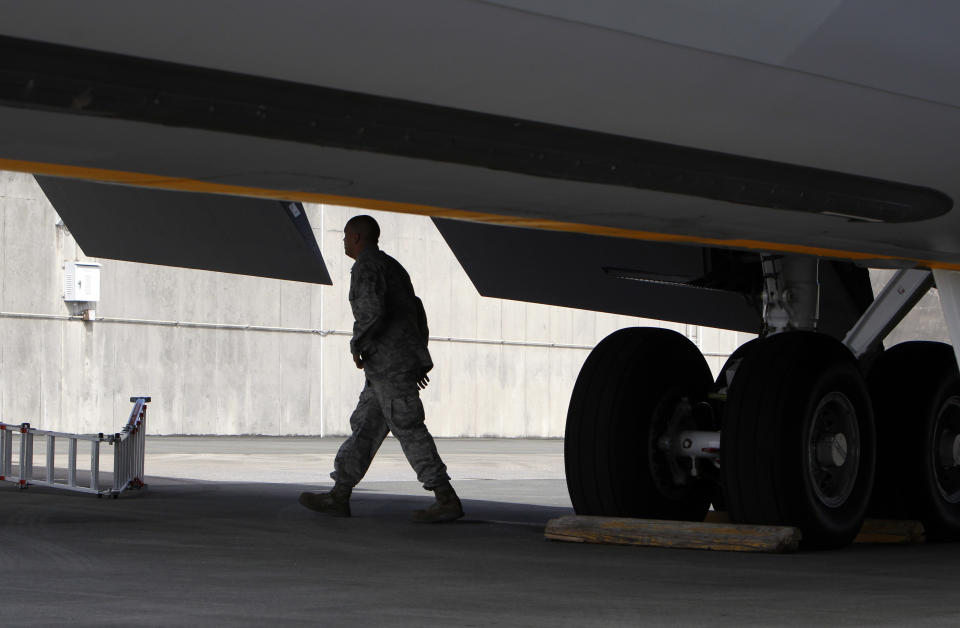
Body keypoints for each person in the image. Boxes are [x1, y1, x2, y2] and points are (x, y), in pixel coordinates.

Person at [299, 215, 464, 523]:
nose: (344, 241)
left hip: (388, 366)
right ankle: (339, 494)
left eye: (346, 236)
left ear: (357, 237)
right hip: (390, 366)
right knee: (365, 427)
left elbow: (371, 312)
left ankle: (445, 498)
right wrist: (415, 356)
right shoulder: (392, 266)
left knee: (409, 427)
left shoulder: (367, 267)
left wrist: (357, 345)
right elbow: (417, 311)